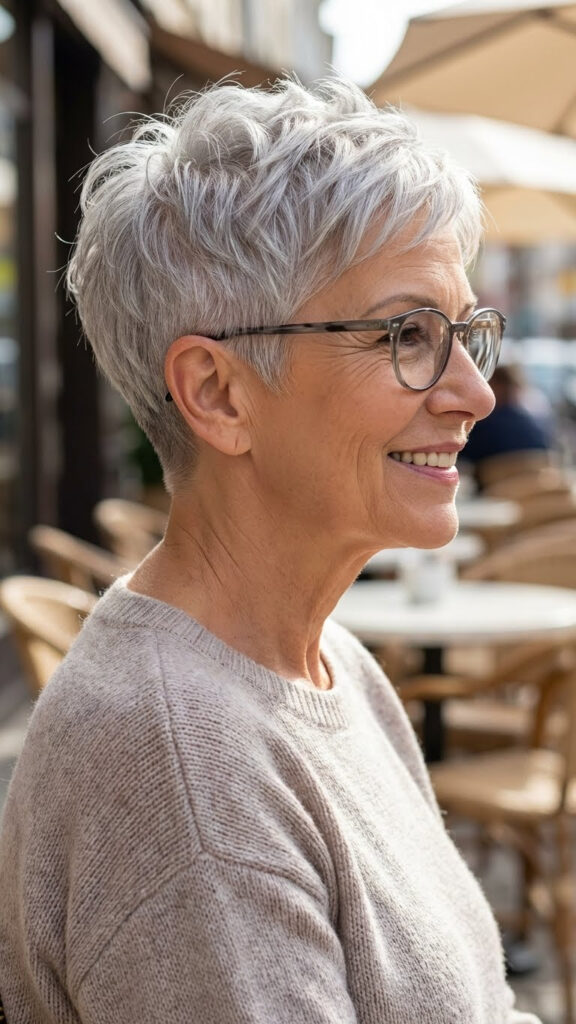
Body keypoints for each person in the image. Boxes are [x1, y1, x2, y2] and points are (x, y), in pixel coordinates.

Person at [0, 77, 539, 1024]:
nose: (475, 393)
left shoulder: (329, 664)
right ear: (218, 393)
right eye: (408, 335)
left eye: (466, 334)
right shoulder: (180, 772)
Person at [461, 362, 555, 486]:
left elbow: (462, 455)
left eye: (486, 383)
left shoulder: (485, 423)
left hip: (495, 490)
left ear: (498, 386)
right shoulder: (531, 420)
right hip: (538, 488)